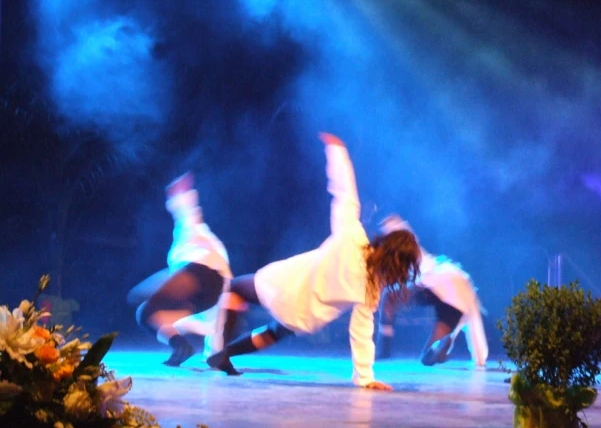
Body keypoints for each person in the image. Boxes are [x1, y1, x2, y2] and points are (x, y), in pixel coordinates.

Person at [207, 133, 421, 390]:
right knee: (277, 331)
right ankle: (226, 355)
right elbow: (361, 332)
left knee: (235, 288)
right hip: (302, 316)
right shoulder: (371, 290)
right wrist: (365, 377)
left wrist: (337, 152)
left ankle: (221, 350)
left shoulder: (353, 238)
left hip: (280, 287)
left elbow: (346, 195)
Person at [132, 172, 233, 367]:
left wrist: (181, 194)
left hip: (201, 275)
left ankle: (183, 343)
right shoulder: (187, 248)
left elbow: (188, 215)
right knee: (144, 314)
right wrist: (214, 351)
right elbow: (217, 321)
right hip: (206, 295)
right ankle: (181, 346)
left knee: (138, 297)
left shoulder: (191, 231)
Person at [375, 215, 488, 368]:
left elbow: (401, 233)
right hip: (452, 289)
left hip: (436, 281)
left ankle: (384, 349)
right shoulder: (410, 248)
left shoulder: (407, 248)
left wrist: (391, 225)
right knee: (427, 357)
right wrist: (479, 356)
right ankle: (438, 350)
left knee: (389, 295)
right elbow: (472, 314)